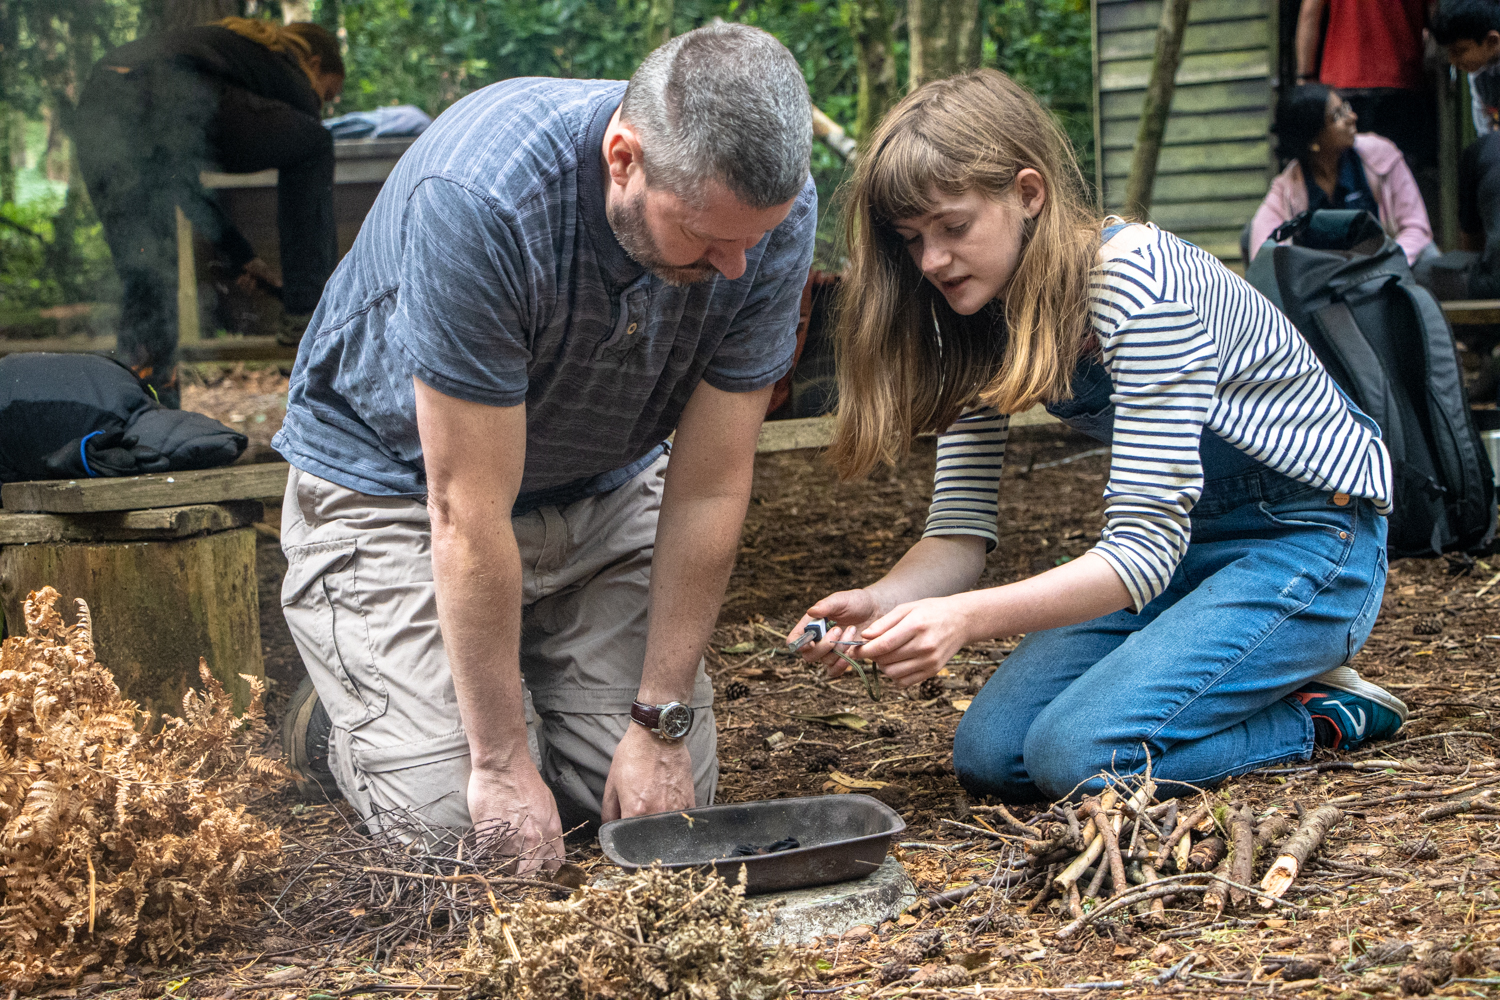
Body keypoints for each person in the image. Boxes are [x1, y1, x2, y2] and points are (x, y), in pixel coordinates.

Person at [272, 23, 816, 869]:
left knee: (660, 819)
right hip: (401, 496)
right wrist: (495, 761)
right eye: (708, 238)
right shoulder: (484, 199)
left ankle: (519, 689)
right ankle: (346, 725)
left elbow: (710, 485)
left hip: (600, 492)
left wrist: (660, 720)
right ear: (624, 158)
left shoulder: (765, 220)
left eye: (755, 237)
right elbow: (466, 510)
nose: (739, 266)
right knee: (462, 832)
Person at [790, 69, 1408, 804]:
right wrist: (883, 602)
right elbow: (958, 532)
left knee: (1079, 754)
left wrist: (961, 620)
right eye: (912, 239)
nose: (931, 261)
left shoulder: (1136, 283)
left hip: (1310, 542)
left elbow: (1141, 551)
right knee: (992, 756)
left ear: (1028, 193)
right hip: (1186, 550)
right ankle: (1222, 669)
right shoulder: (975, 309)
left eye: (952, 227)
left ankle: (1323, 714)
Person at [75, 18, 344, 407]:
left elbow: (181, 184)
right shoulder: (281, 60)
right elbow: (303, 128)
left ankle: (145, 406)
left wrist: (241, 255)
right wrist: (302, 290)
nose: (321, 103)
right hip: (160, 90)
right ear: (315, 63)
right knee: (315, 143)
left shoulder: (216, 53)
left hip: (99, 105)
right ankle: (306, 310)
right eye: (328, 94)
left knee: (148, 266)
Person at [1248, 84, 1435, 264]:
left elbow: (1415, 228)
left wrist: (1384, 266)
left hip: (1384, 272)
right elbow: (1263, 245)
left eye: (1346, 107)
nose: (1352, 116)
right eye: (1337, 115)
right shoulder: (1288, 185)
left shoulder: (1381, 156)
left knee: (1429, 262)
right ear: (1313, 138)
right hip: (1325, 283)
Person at [1294, 0, 1437, 214]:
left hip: (1342, 83)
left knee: (1343, 172)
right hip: (1401, 80)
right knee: (1402, 179)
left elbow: (1309, 14)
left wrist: (1306, 77)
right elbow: (1436, 14)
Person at [1429, 0, 1500, 299]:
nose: (1455, 62)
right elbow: (1485, 125)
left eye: (1460, 51)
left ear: (1492, 41)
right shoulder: (1479, 75)